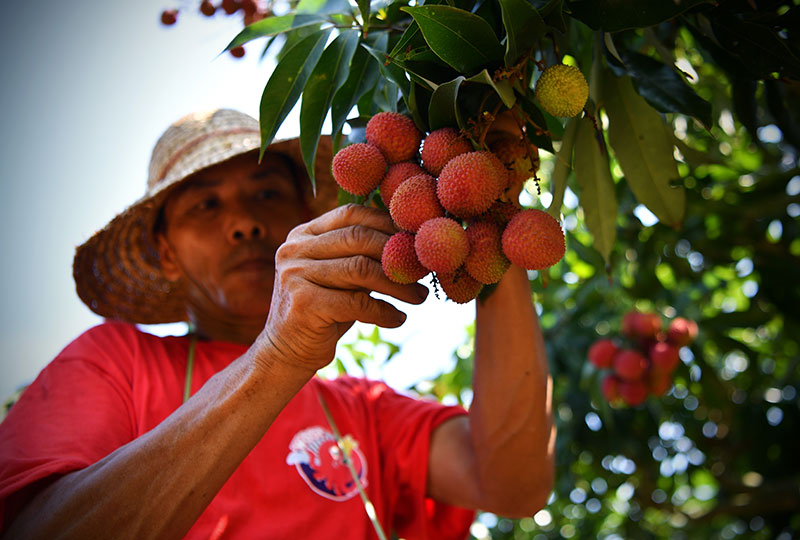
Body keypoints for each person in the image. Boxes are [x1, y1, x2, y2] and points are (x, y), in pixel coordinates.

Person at [0, 109, 554, 539]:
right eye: (205, 207)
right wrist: (278, 356)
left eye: (265, 193)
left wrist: (488, 213)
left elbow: (511, 483)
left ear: (306, 219)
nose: (242, 222)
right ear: (166, 253)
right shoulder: (115, 361)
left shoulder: (363, 410)